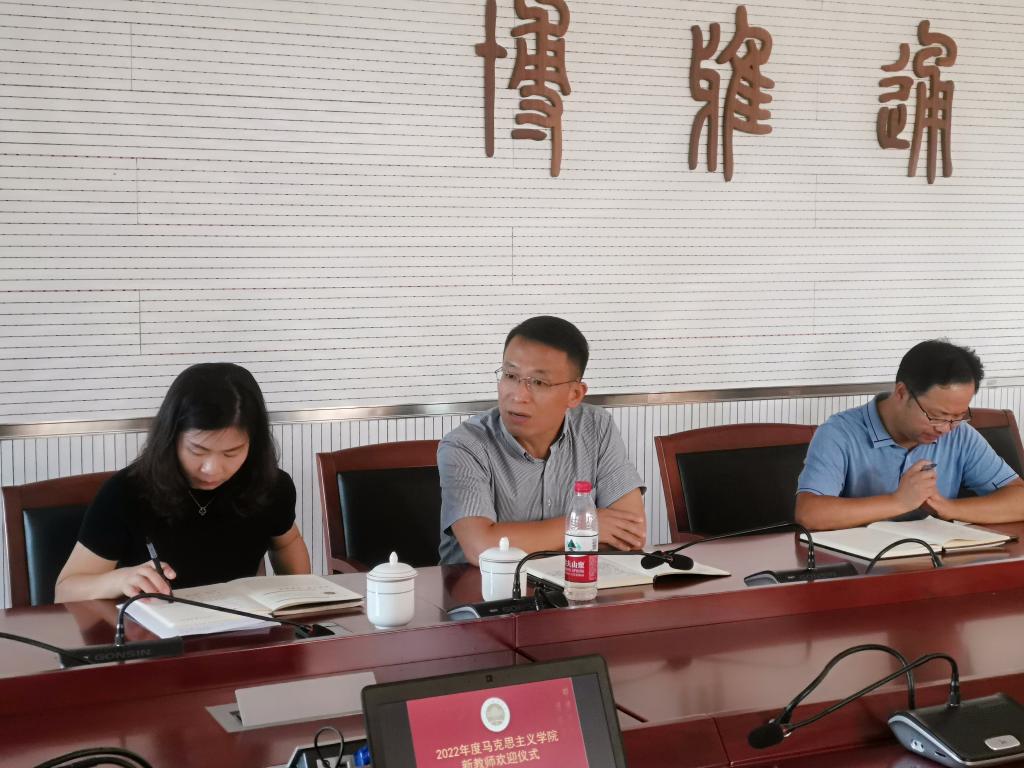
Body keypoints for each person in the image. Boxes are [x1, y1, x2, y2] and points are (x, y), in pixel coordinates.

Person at [54, 363, 311, 602]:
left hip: (241, 626)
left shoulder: (269, 486)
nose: (211, 469)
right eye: (197, 450)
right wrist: (120, 580)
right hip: (151, 630)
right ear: (171, 436)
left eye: (231, 453)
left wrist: (303, 601)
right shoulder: (126, 492)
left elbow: (287, 543)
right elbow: (65, 590)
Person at [438, 315, 646, 565]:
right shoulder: (465, 445)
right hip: (482, 586)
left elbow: (630, 534)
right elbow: (482, 548)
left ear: (574, 394)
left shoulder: (596, 427)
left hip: (575, 584)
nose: (518, 396)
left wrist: (522, 540)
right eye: (510, 375)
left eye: (538, 382)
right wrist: (588, 524)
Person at [796, 340, 1024, 531]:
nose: (945, 429)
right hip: (861, 565)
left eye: (958, 416)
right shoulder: (839, 433)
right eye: (936, 416)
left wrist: (949, 508)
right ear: (902, 393)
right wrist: (898, 502)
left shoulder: (960, 434)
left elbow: (1019, 498)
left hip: (938, 563)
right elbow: (810, 513)